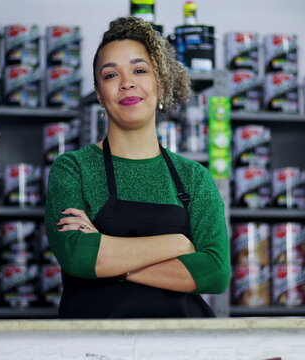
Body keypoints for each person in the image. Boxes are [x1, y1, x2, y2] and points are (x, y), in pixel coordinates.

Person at [44, 16, 229, 319]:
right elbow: (78, 257)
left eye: (139, 70)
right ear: (99, 93)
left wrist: (112, 263)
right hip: (95, 347)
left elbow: (214, 273)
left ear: (161, 82)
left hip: (182, 347)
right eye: (110, 75)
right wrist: (178, 244)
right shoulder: (74, 168)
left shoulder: (194, 178)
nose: (127, 82)